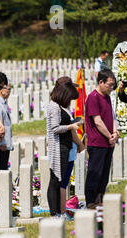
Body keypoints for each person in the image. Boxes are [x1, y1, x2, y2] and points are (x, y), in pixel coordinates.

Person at [46, 79, 81, 217]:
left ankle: (58, 212)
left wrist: (74, 122)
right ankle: (54, 213)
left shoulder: (60, 106)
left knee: (59, 180)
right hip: (58, 147)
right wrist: (71, 127)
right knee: (55, 180)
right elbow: (55, 128)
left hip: (65, 146)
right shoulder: (54, 107)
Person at [84, 69, 119, 209]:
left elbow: (111, 116)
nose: (112, 88)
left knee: (104, 174)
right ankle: (91, 201)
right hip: (97, 142)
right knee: (95, 173)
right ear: (101, 82)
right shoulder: (93, 97)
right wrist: (109, 135)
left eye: (113, 85)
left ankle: (100, 198)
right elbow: (97, 121)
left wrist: (115, 132)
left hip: (108, 142)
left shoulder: (107, 97)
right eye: (109, 85)